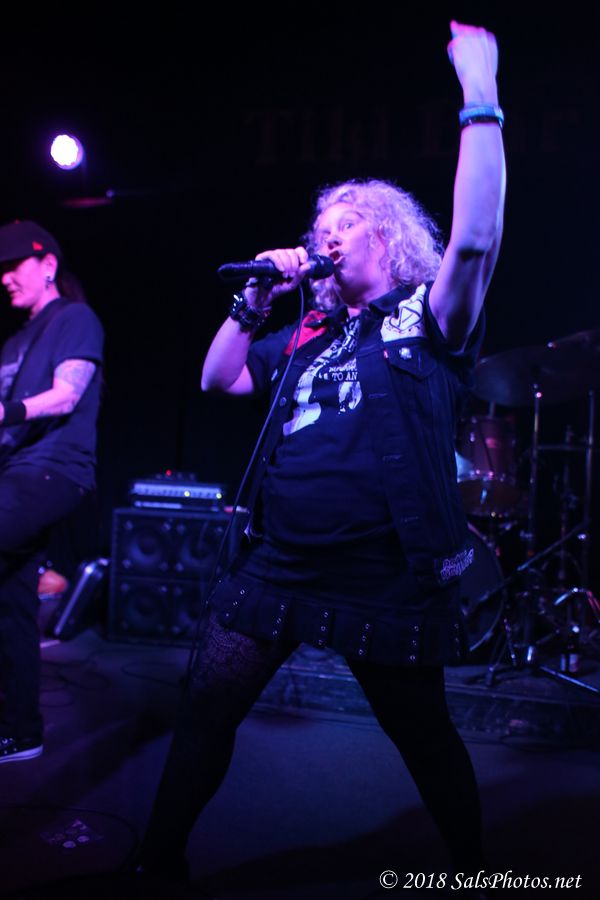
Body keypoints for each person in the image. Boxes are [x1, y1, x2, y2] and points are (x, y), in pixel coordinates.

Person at [138, 21, 505, 888]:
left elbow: (476, 240)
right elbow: (218, 378)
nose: (327, 237)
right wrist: (255, 298)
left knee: (422, 735)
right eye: (320, 227)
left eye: (347, 224)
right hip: (279, 564)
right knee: (205, 711)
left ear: (387, 236)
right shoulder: (307, 335)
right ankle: (155, 860)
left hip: (382, 572)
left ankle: (476, 870)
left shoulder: (426, 315)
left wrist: (479, 91)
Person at [0, 220, 104, 763]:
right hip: (16, 471)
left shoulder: (74, 319)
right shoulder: (14, 341)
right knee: (11, 599)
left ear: (47, 265)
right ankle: (21, 731)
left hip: (54, 471)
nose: (3, 278)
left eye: (12, 266)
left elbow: (67, 395)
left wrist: (8, 411)